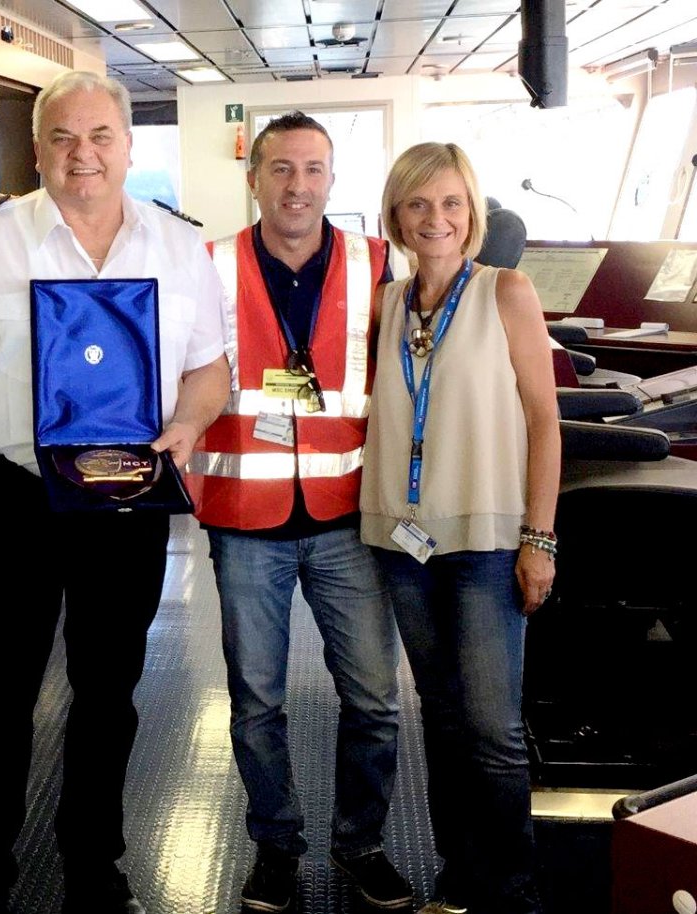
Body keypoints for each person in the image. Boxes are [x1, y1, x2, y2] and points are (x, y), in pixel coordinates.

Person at [0, 70, 230, 914]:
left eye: (100, 137)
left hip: (128, 497)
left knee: (109, 684)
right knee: (1, 686)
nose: (82, 155)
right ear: (38, 149)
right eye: (62, 138)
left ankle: (94, 852)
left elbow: (209, 369)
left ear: (128, 145)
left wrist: (187, 429)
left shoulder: (179, 247)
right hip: (17, 497)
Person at [186, 111, 410, 913]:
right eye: (281, 169)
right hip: (246, 520)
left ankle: (362, 844)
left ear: (331, 180)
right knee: (256, 704)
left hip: (348, 517)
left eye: (313, 170)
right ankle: (276, 847)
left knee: (376, 701)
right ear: (253, 178)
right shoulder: (205, 266)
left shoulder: (379, 266)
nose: (297, 186)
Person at [360, 142, 560, 914]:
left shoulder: (507, 292)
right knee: (440, 720)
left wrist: (538, 539)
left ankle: (512, 889)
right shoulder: (387, 304)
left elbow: (545, 424)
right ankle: (460, 874)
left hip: (487, 543)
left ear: (471, 212)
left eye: (450, 203)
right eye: (418, 205)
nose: (435, 219)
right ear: (398, 217)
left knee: (493, 729)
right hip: (405, 543)